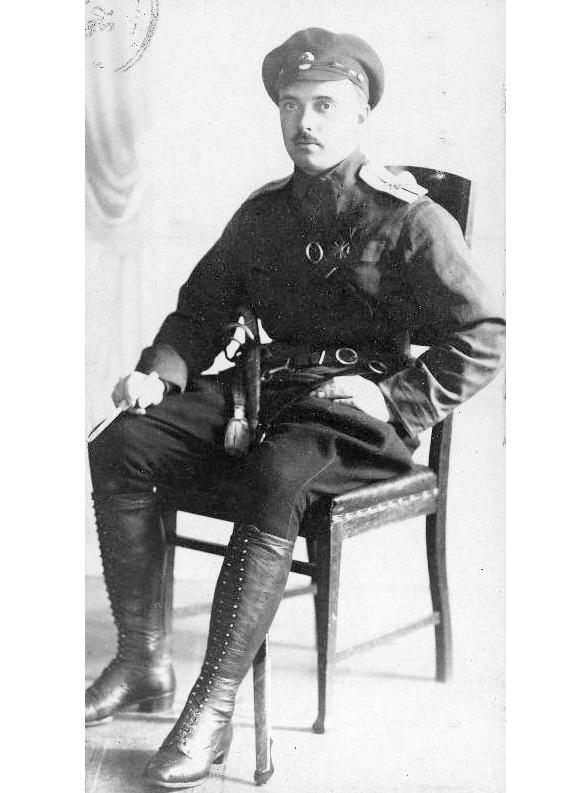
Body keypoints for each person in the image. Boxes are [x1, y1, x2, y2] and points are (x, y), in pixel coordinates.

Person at [86, 27, 505, 789]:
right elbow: (201, 311)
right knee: (122, 440)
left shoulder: (409, 218)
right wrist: (160, 372)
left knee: (276, 474)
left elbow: (483, 334)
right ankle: (141, 658)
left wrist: (395, 395)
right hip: (264, 393)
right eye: (290, 104)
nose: (303, 122)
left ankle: (211, 709)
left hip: (353, 416)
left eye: (323, 105)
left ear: (360, 114)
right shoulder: (263, 213)